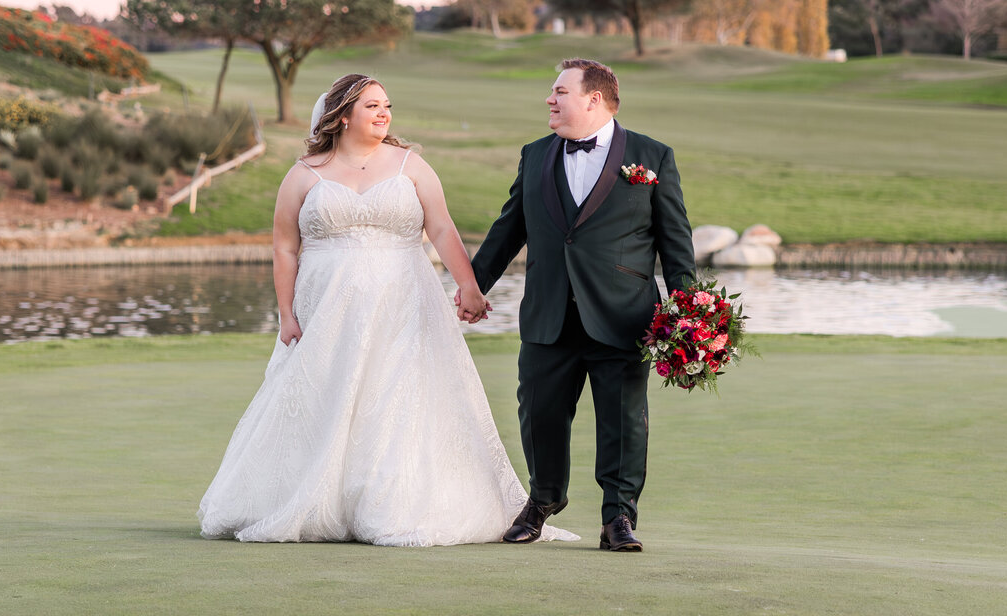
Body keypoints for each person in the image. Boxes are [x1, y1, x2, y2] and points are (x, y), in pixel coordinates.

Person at [197, 73, 576, 546]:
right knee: (329, 396)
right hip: (329, 310)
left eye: (386, 105)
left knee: (398, 397)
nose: (383, 113)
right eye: (372, 105)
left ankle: (389, 500)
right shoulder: (303, 174)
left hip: (405, 304)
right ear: (341, 114)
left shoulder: (410, 166)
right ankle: (317, 501)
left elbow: (441, 230)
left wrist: (470, 287)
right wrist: (286, 313)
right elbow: (285, 250)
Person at [467, 58, 695, 552]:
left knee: (622, 422)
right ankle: (543, 501)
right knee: (539, 414)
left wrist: (689, 313)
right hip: (548, 315)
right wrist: (473, 284)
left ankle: (618, 518)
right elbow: (510, 229)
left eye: (559, 91)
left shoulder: (653, 156)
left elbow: (676, 244)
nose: (550, 99)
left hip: (624, 316)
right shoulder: (534, 155)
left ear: (594, 98)